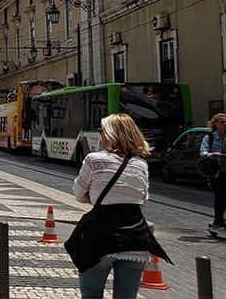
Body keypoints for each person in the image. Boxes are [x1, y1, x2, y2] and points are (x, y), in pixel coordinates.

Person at [72, 113, 170, 299]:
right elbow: (142, 198)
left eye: (102, 131)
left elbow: (78, 193)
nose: (100, 135)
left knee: (91, 295)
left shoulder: (94, 160)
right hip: (135, 239)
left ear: (109, 134)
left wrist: (95, 198)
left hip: (100, 237)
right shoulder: (141, 164)